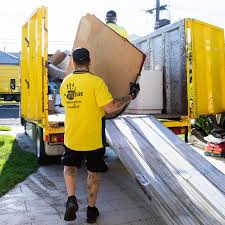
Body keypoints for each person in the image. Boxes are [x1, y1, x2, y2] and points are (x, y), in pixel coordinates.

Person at [60, 47, 140, 223]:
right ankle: (91, 210)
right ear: (89, 61)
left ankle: (71, 199)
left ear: (73, 62)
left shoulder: (65, 83)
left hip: (72, 136)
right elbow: (110, 108)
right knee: (93, 173)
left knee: (69, 168)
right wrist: (130, 96)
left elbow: (68, 105)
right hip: (93, 139)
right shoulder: (96, 82)